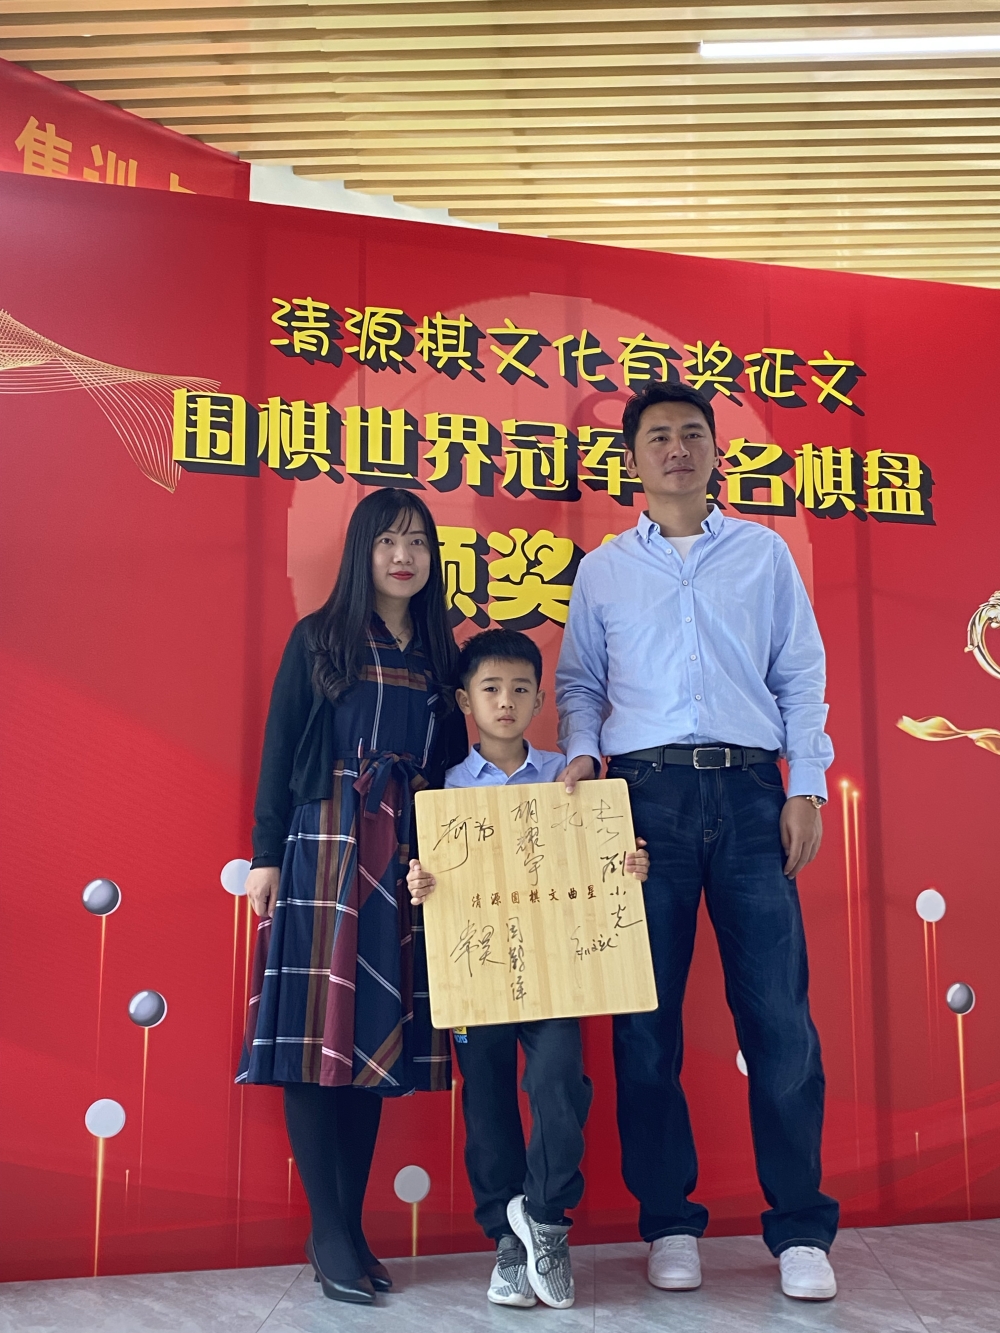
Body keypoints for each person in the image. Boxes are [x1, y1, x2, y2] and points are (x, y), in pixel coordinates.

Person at [555, 381, 840, 1302]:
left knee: (780, 1019)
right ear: (631, 461)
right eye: (657, 437)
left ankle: (801, 1227)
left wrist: (805, 785)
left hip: (754, 795)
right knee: (646, 1024)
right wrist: (583, 753)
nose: (676, 449)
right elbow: (579, 683)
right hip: (643, 802)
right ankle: (669, 1220)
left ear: (717, 452)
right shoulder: (604, 571)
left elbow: (800, 675)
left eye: (691, 434)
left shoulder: (764, 554)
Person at [237, 488, 467, 1305]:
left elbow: (452, 768)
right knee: (314, 1039)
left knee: (373, 1042)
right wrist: (266, 855)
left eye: (419, 543)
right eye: (388, 542)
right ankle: (328, 1228)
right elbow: (277, 749)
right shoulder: (320, 638)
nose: (404, 557)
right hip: (325, 844)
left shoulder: (442, 654)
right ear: (362, 551)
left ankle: (351, 1225)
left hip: (404, 858)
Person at [406, 629, 648, 1311]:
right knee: (486, 1104)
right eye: (490, 689)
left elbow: (603, 862)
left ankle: (544, 1219)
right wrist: (422, 883)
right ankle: (507, 1244)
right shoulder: (446, 787)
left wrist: (629, 863)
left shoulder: (568, 780)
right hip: (477, 970)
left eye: (520, 689)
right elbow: (433, 876)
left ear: (542, 700)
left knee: (558, 1085)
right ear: (465, 700)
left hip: (556, 972)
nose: (505, 701)